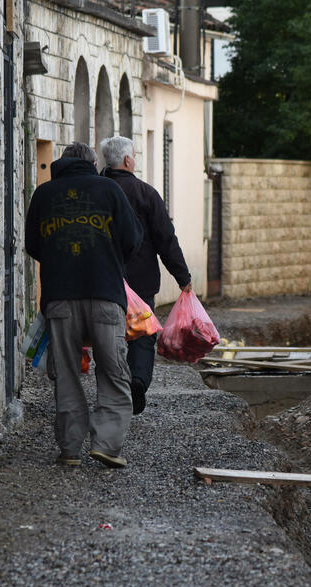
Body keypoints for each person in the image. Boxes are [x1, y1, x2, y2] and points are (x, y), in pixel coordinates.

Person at [25, 142, 141, 468]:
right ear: (92, 163)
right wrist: (108, 256)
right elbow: (132, 239)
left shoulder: (44, 195)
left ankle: (70, 449)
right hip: (105, 293)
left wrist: (59, 256)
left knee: (66, 372)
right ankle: (107, 445)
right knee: (114, 370)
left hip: (59, 297)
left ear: (61, 163)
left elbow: (33, 245)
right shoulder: (109, 190)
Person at [100, 135, 192, 415]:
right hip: (140, 282)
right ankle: (138, 380)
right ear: (128, 160)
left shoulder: (97, 190)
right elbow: (166, 238)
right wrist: (182, 277)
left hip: (103, 280)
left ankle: (113, 389)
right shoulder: (145, 193)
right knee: (142, 334)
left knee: (107, 335)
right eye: (135, 156)